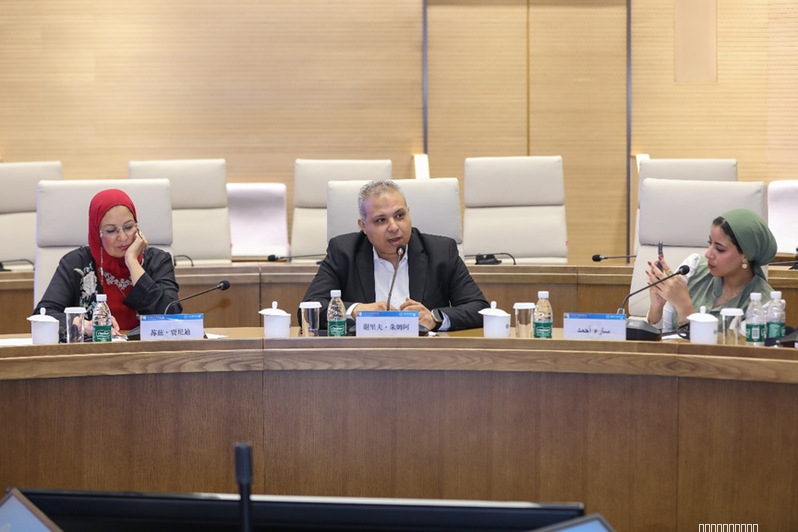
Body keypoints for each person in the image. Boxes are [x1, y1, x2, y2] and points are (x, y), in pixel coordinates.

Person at [301, 180, 489, 332]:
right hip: (364, 356)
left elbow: (480, 308)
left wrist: (434, 318)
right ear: (363, 226)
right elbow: (309, 308)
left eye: (399, 216)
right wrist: (355, 310)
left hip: (424, 356)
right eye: (381, 220)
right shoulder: (343, 252)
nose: (393, 227)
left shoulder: (441, 251)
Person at [33, 188, 182, 339]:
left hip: (147, 350)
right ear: (96, 232)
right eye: (111, 230)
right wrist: (84, 325)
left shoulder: (158, 260)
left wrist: (132, 262)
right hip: (95, 351)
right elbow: (45, 314)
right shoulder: (76, 263)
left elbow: (171, 316)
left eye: (129, 227)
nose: (123, 237)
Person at [646, 207, 777, 330]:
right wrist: (657, 309)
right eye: (710, 243)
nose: (708, 254)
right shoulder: (692, 268)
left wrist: (684, 307)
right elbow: (664, 335)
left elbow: (722, 347)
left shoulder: (763, 306)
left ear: (745, 256)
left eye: (719, 249)